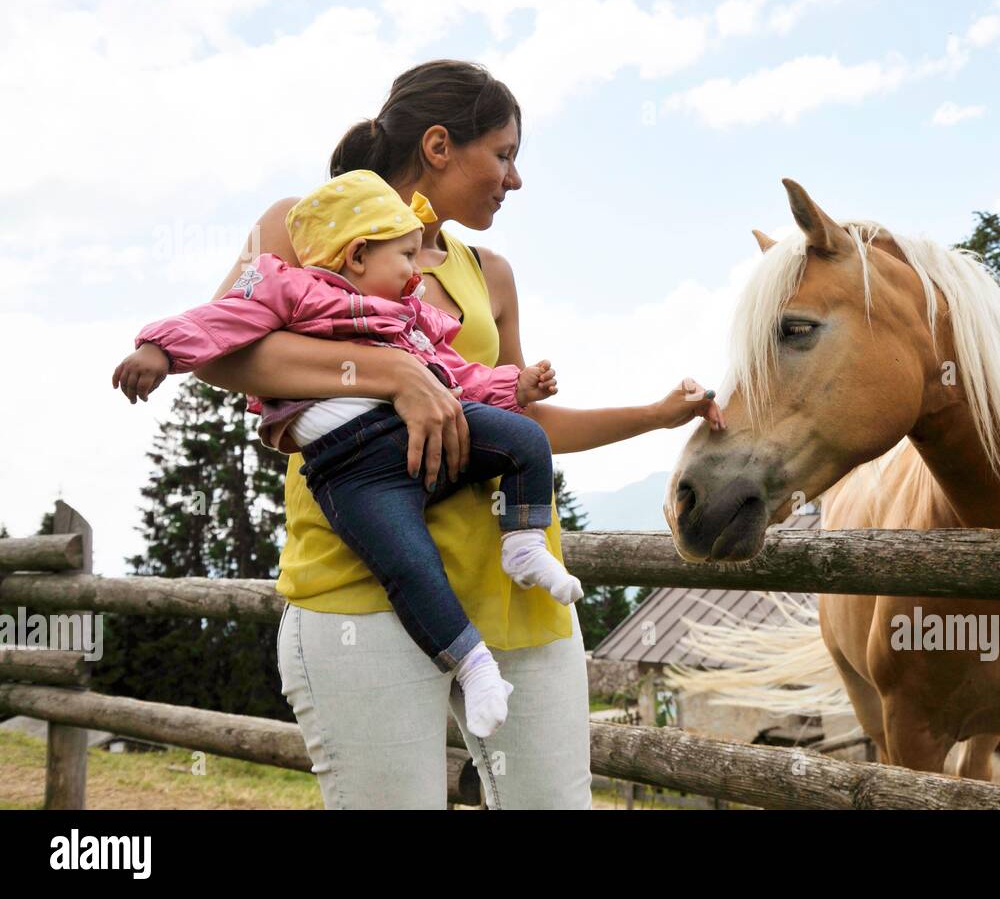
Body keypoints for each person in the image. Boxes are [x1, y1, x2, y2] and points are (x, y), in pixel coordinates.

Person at [191, 59, 726, 809]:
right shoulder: (304, 223)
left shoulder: (492, 272)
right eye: (503, 154)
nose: (514, 180)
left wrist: (654, 414)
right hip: (362, 588)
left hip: (513, 591)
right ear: (439, 146)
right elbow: (217, 352)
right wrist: (391, 376)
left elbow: (521, 424)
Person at [113, 169, 587, 739]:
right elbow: (220, 320)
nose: (418, 273)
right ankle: (473, 666)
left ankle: (524, 541)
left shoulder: (410, 321)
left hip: (427, 444)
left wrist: (514, 387)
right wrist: (157, 350)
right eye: (407, 257)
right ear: (358, 254)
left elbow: (455, 375)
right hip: (353, 468)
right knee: (410, 567)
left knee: (526, 440)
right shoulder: (288, 288)